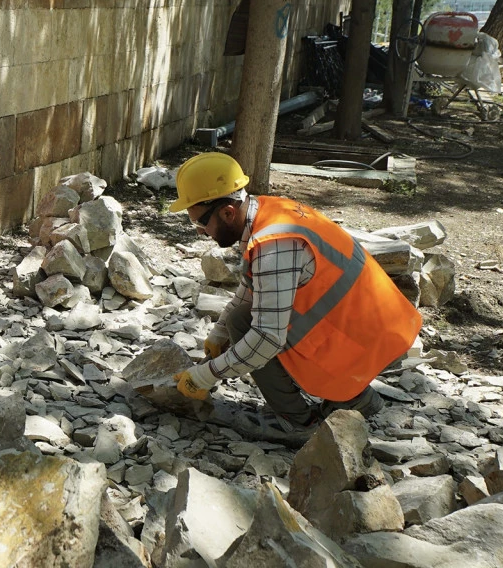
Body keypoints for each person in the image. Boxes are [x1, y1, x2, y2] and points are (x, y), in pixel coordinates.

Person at [169, 152, 422, 439]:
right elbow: (255, 286)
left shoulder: (274, 247)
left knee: (247, 326)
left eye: (201, 224)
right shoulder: (269, 212)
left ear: (227, 212)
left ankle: (298, 424)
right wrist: (219, 333)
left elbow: (266, 339)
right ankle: (351, 399)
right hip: (377, 328)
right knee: (239, 319)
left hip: (367, 342)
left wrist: (206, 375)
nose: (202, 232)